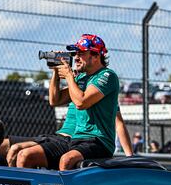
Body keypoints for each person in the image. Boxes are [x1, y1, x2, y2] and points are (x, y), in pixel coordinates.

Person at [50, 33, 120, 170]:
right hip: (77, 139)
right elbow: (55, 100)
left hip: (99, 141)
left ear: (95, 56)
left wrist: (69, 76)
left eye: (81, 53)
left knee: (66, 160)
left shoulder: (107, 76)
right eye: (76, 53)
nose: (76, 57)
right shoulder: (81, 78)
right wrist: (56, 73)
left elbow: (81, 102)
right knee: (27, 154)